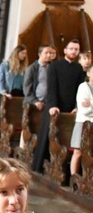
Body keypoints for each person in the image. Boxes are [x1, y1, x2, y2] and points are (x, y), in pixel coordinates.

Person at [33, 39, 86, 172]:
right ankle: (39, 166)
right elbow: (51, 87)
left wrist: (76, 106)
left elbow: (80, 90)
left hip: (70, 109)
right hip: (54, 106)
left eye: (76, 49)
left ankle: (62, 167)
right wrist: (52, 105)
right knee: (47, 135)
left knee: (66, 136)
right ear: (65, 50)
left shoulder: (79, 68)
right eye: (71, 48)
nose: (74, 51)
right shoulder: (55, 65)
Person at [71, 66, 93, 176]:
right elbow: (84, 110)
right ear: (88, 73)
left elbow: (89, 107)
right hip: (83, 123)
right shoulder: (83, 87)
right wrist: (89, 107)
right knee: (78, 151)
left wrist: (91, 104)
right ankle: (73, 177)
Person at [23, 44, 55, 111]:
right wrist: (35, 102)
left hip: (48, 102)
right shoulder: (32, 68)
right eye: (46, 53)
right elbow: (27, 88)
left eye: (50, 53)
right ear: (40, 54)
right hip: (33, 102)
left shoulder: (53, 67)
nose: (49, 55)